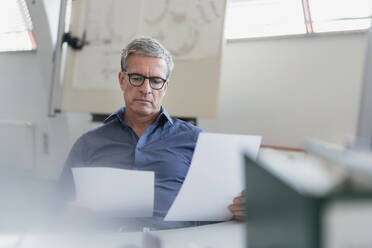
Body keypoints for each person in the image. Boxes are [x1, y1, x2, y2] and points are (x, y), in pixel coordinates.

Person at [57, 37, 245, 231]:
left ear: (165, 87)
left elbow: (220, 209)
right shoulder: (88, 143)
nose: (145, 89)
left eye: (156, 81)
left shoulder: (197, 141)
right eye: (137, 78)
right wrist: (68, 212)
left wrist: (241, 209)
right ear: (122, 80)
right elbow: (56, 206)